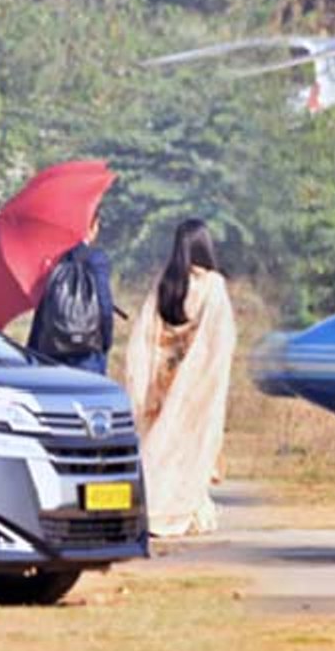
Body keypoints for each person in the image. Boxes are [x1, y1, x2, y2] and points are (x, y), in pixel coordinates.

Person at [125, 219, 237, 537]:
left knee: (160, 445)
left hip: (161, 380)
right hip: (195, 385)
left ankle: (154, 507)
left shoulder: (166, 281)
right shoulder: (213, 286)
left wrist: (147, 381)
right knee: (190, 450)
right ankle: (175, 512)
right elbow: (220, 339)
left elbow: (147, 334)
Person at [28, 209, 113, 374]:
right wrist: (105, 342)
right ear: (93, 226)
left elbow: (43, 307)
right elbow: (104, 307)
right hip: (88, 352)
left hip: (52, 350)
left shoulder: (53, 257)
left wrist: (33, 350)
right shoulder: (96, 259)